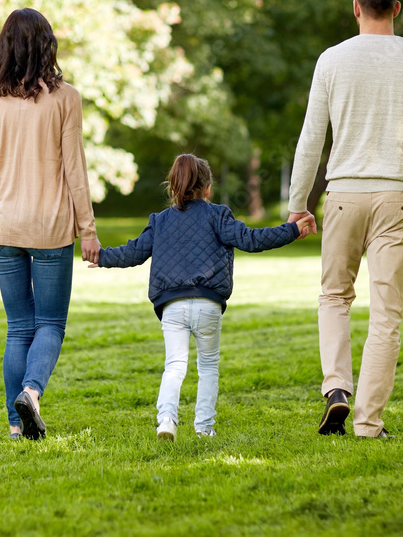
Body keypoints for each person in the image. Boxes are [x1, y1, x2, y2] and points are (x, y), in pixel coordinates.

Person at [287, 0, 403, 439]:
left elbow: (311, 138)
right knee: (386, 314)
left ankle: (337, 388)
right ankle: (367, 423)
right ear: (397, 8)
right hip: (400, 197)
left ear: (356, 7)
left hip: (342, 194)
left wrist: (297, 203)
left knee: (334, 297)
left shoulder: (331, 60)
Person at [91, 154, 312, 440]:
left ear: (173, 187)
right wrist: (292, 229)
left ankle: (167, 420)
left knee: (174, 365)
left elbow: (132, 253)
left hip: (172, 305)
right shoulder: (218, 215)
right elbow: (253, 240)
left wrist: (102, 256)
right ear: (208, 188)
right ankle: (204, 428)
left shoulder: (160, 221)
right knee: (208, 367)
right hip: (208, 303)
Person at [0, 8, 101, 441]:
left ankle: (16, 426)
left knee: (18, 326)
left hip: (5, 223)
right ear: (47, 44)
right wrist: (87, 229)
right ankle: (31, 392)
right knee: (50, 323)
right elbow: (75, 169)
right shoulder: (66, 97)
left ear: (6, 47)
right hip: (50, 227)